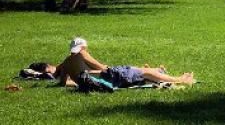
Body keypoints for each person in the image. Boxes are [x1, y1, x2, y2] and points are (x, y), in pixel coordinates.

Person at [41, 37, 195, 88]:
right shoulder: (83, 54)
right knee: (142, 72)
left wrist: (74, 80)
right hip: (109, 77)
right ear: (83, 46)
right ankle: (181, 79)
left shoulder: (67, 62)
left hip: (98, 81)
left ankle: (158, 71)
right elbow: (102, 68)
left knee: (139, 72)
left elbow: (62, 82)